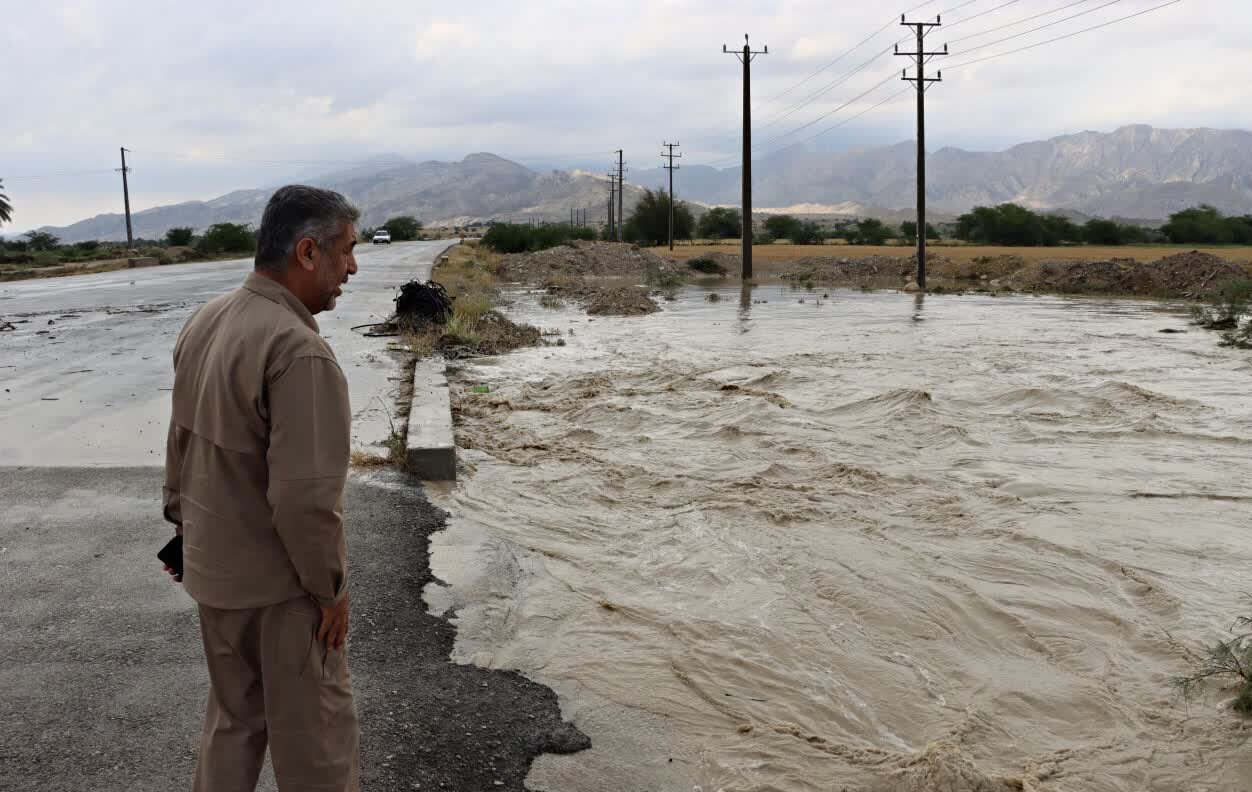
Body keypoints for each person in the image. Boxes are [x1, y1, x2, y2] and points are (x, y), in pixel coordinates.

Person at [161, 185, 362, 792]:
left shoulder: (208, 318)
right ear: (307, 251)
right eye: (346, 251)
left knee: (233, 724)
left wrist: (182, 528)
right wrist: (330, 593)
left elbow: (181, 444)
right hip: (282, 592)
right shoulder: (300, 352)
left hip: (214, 573)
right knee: (318, 746)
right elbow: (304, 500)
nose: (352, 267)